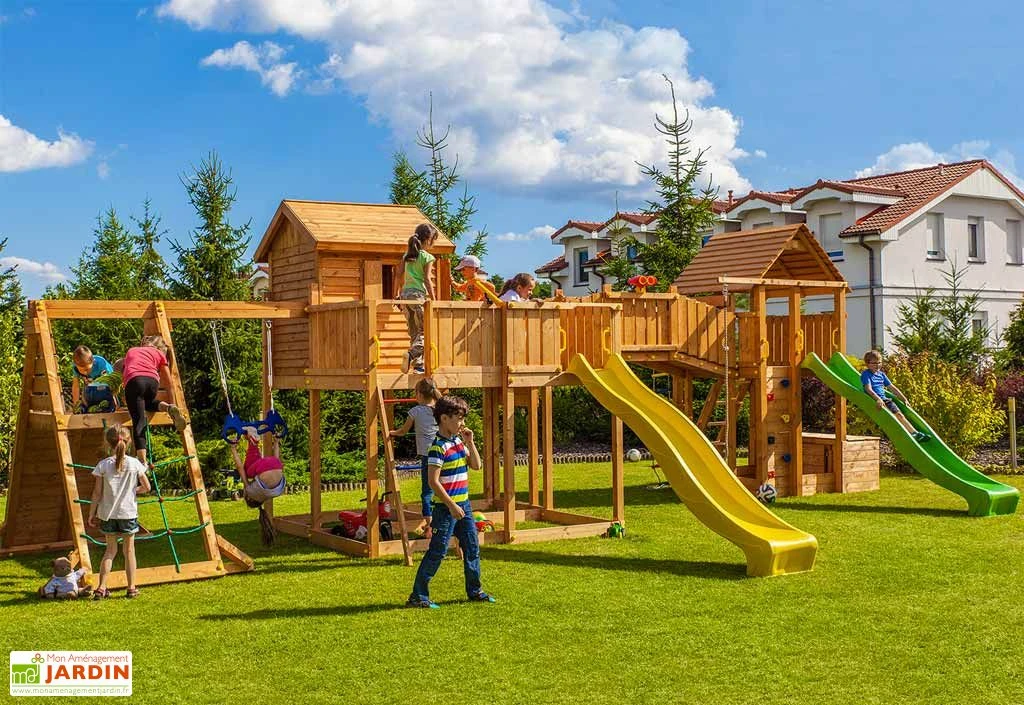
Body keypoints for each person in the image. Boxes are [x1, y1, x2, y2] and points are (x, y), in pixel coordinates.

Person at [407, 395, 495, 609]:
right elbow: (433, 481)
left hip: (464, 507)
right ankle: (418, 597)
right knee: (437, 551)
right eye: (459, 418)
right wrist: (451, 505)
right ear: (444, 418)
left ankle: (475, 591)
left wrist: (470, 442)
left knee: (472, 547)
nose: (462, 423)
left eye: (463, 418)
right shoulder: (438, 447)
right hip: (446, 510)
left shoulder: (458, 442)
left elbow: (476, 466)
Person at [88, 424, 151, 599]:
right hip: (128, 514)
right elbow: (147, 487)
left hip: (107, 514)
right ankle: (131, 588)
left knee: (110, 551)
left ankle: (101, 588)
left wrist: (91, 513)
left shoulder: (103, 465)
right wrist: (132, 490)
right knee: (129, 551)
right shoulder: (135, 463)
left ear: (108, 443)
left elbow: (97, 493)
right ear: (128, 442)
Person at [389, 378, 442, 539]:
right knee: (443, 488)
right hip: (443, 453)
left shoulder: (416, 411)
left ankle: (430, 527)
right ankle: (442, 522)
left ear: (419, 394)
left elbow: (403, 431)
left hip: (428, 456)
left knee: (427, 491)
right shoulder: (440, 409)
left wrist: (392, 433)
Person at [122, 335, 187, 464]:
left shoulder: (132, 350)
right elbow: (169, 383)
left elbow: (124, 372)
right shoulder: (160, 354)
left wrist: (125, 398)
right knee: (148, 404)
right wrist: (173, 403)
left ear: (145, 343)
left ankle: (142, 461)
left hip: (134, 380)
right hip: (152, 382)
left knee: (139, 420)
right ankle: (168, 407)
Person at [229, 426, 285, 546]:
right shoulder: (250, 492)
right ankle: (253, 441)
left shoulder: (269, 493)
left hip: (276, 464)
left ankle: (252, 441)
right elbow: (240, 468)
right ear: (249, 498)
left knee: (254, 470)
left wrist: (276, 442)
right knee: (247, 472)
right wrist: (233, 449)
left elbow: (276, 460)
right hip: (263, 467)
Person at [395, 223, 438, 374]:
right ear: (428, 239)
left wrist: (396, 295)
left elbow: (398, 274)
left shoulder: (407, 255)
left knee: (414, 333)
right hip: (418, 296)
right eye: (434, 240)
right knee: (425, 331)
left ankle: (418, 365)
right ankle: (412, 354)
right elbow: (427, 279)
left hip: (405, 296)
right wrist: (434, 299)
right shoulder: (427, 257)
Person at [861, 350, 929, 441]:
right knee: (895, 417)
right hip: (875, 400)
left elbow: (892, 388)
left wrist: (904, 399)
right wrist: (878, 399)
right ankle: (911, 434)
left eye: (879, 362)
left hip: (884, 399)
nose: (877, 365)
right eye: (874, 363)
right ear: (867, 364)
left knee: (899, 415)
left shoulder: (881, 375)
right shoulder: (866, 374)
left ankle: (914, 433)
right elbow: (868, 389)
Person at [71, 345, 117, 413]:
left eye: (87, 369)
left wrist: (113, 398)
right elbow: (76, 386)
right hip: (90, 384)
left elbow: (111, 383)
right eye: (81, 370)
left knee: (105, 398)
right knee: (88, 403)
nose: (85, 372)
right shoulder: (75, 367)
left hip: (105, 382)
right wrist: (76, 404)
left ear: (93, 361)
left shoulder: (101, 364)